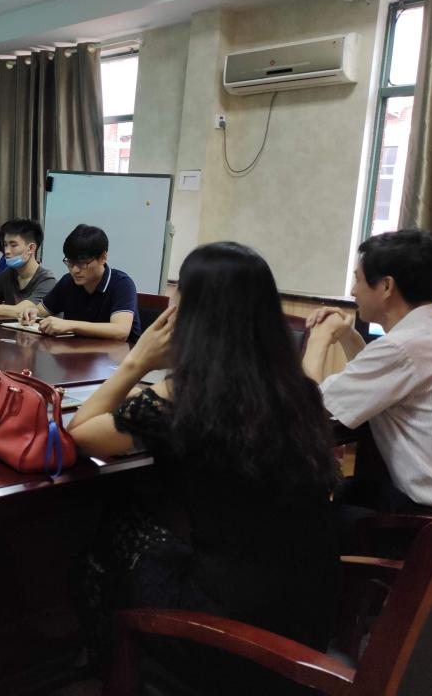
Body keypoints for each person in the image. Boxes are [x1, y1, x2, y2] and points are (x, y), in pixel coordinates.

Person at [69, 242, 340, 694]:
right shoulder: (299, 388)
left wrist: (138, 360)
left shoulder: (185, 397)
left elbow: (79, 432)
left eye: (179, 295)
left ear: (195, 315)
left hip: (236, 635)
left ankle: (108, 669)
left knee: (114, 529)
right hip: (312, 619)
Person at [304, 229, 432, 514]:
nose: (353, 291)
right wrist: (348, 336)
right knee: (354, 490)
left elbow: (307, 407)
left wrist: (318, 338)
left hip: (431, 521)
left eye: (358, 280)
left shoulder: (403, 347)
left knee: (310, 512)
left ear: (386, 286)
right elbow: (378, 382)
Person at [19, 224, 139, 341]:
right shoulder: (68, 282)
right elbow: (40, 311)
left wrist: (70, 325)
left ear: (103, 257)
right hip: (77, 350)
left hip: (120, 353)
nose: (75, 270)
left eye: (82, 263)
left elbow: (121, 331)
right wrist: (32, 313)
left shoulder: (121, 284)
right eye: (70, 262)